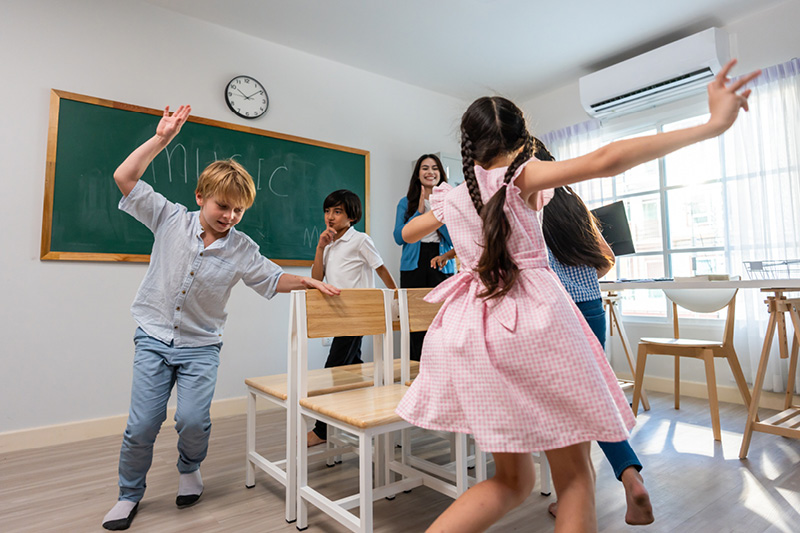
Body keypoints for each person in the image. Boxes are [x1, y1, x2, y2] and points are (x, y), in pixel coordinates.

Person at [396, 60, 759, 533]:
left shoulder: (454, 196)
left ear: (468, 146)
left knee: (510, 482)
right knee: (574, 480)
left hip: (472, 331)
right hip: (532, 323)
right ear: (524, 143)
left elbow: (407, 232)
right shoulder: (520, 177)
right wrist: (712, 125)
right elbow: (607, 158)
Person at [102, 105, 339, 531]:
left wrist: (310, 283)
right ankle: (128, 494)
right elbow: (125, 178)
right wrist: (162, 139)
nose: (229, 216)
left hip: (201, 347)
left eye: (238, 211)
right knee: (142, 424)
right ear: (201, 197)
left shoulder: (242, 247)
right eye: (222, 206)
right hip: (153, 338)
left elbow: (271, 277)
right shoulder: (169, 218)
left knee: (192, 419)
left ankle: (190, 467)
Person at [542, 182, 653, 525]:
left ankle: (572, 498)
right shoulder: (573, 204)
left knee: (561, 409)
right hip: (591, 306)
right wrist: (584, 278)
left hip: (553, 310)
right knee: (593, 395)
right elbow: (607, 258)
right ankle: (630, 476)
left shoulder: (528, 204)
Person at [306, 189, 397, 446]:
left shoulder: (360, 240)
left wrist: (395, 297)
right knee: (353, 367)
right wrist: (320, 247)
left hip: (356, 314)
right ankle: (364, 416)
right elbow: (316, 278)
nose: (330, 217)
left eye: (337, 211)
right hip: (337, 316)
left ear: (352, 216)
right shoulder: (329, 242)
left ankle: (322, 431)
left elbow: (380, 268)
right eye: (327, 211)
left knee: (332, 369)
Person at [393, 154, 456, 360]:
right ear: (417, 174)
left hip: (441, 261)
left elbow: (455, 238)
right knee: (415, 319)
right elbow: (399, 237)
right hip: (413, 265)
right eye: (425, 168)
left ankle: (440, 365)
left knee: (442, 318)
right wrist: (419, 211)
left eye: (435, 168)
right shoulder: (406, 202)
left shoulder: (451, 202)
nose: (430, 172)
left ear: (441, 173)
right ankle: (415, 366)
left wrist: (439, 212)